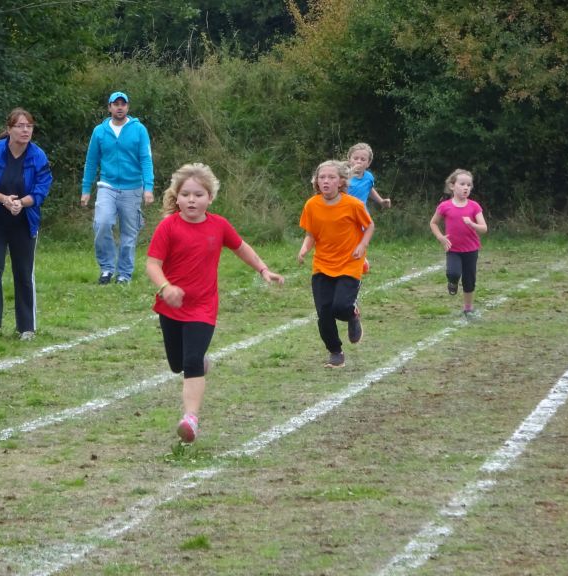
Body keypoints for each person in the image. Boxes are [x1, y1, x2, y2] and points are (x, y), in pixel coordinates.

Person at [146, 163, 284, 443]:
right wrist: (165, 287)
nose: (191, 200)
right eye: (185, 195)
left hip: (203, 307)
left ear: (210, 198)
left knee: (191, 361)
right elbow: (152, 264)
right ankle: (199, 361)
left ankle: (190, 419)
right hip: (171, 306)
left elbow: (241, 248)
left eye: (198, 195)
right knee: (177, 364)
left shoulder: (219, 225)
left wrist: (263, 269)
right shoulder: (168, 226)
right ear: (176, 197)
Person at [0, 108, 53, 341]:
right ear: (9, 129)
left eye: (29, 126)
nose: (25, 130)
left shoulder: (38, 156)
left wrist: (21, 203)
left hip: (24, 221)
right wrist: (4, 200)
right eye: (20, 126)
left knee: (24, 272)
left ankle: (26, 327)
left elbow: (42, 189)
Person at [298, 160, 374, 368]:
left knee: (341, 307)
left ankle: (352, 314)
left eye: (331, 177)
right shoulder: (311, 205)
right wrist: (304, 249)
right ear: (316, 181)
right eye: (322, 177)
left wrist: (362, 245)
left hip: (350, 263)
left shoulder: (353, 205)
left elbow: (369, 226)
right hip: (322, 265)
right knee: (324, 313)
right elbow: (311, 234)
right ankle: (335, 352)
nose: (326, 181)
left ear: (340, 182)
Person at [81, 91, 155, 284]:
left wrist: (148, 187)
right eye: (116, 104)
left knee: (129, 233)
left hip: (133, 187)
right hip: (107, 185)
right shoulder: (99, 131)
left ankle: (124, 274)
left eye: (123, 104)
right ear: (109, 107)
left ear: (127, 107)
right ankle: (107, 269)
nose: (119, 107)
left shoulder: (139, 130)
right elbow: (91, 161)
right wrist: (86, 190)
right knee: (103, 223)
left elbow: (146, 159)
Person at [429, 168, 487, 317]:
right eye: (462, 184)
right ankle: (453, 282)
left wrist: (472, 224)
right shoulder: (445, 206)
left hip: (471, 249)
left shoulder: (474, 206)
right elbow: (433, 223)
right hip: (453, 249)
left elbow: (484, 228)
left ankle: (468, 308)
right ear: (452, 186)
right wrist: (440, 237)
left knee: (469, 279)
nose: (466, 187)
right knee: (453, 273)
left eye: (469, 185)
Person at [346, 142, 390, 274]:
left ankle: (360, 259)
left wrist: (381, 201)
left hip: (361, 213)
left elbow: (369, 189)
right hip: (345, 213)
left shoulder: (369, 177)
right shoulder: (344, 176)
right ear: (349, 160)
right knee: (346, 238)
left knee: (362, 237)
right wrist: (349, 174)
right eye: (355, 158)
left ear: (368, 163)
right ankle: (349, 260)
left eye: (363, 159)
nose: (358, 161)